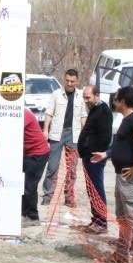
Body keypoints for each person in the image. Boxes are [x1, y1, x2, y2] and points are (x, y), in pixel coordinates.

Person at [91, 86, 133, 263]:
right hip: (121, 176)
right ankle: (121, 253)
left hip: (131, 177)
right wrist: (106, 154)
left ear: (124, 101)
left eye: (117, 99)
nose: (114, 103)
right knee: (122, 217)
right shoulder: (127, 119)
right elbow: (123, 145)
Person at [0, 108, 49, 226]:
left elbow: (10, 127)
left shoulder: (24, 113)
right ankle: (17, 213)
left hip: (37, 153)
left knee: (29, 186)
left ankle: (32, 217)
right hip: (26, 153)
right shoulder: (8, 112)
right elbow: (3, 129)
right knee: (18, 184)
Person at [42, 69, 87, 208]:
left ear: (77, 81)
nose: (69, 83)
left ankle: (69, 197)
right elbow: (49, 113)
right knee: (52, 167)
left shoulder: (81, 96)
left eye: (72, 81)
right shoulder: (56, 94)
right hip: (57, 133)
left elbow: (83, 116)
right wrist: (45, 130)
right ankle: (47, 195)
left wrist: (85, 134)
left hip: (74, 135)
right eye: (67, 80)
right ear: (64, 79)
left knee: (72, 168)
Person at [77, 84, 112, 234]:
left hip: (95, 157)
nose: (86, 100)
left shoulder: (103, 111)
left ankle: (101, 221)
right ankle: (96, 219)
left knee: (97, 188)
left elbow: (105, 137)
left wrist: (95, 153)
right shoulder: (94, 109)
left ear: (97, 95)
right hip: (88, 156)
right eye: (84, 97)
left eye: (88, 97)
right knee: (91, 189)